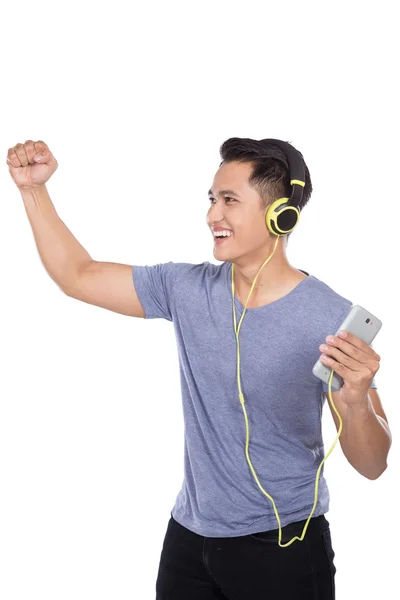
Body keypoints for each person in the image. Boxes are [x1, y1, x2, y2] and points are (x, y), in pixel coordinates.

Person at [7, 138, 392, 600]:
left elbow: (372, 464)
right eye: (212, 199)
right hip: (189, 542)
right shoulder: (186, 289)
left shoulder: (331, 320)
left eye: (230, 200)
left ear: (280, 215)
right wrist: (33, 191)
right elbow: (78, 275)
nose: (213, 215)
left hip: (282, 548)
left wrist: (355, 401)